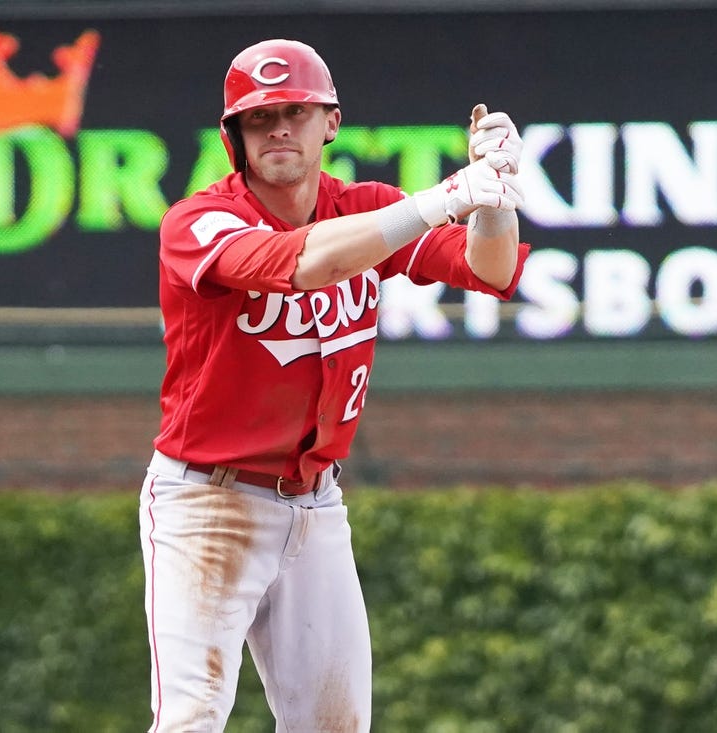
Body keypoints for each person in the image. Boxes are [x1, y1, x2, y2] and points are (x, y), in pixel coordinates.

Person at [138, 38, 529, 732]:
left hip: (315, 505)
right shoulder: (199, 221)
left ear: (331, 123)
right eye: (259, 118)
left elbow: (491, 270)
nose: (279, 128)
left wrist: (493, 193)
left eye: (295, 111)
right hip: (208, 500)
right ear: (235, 136)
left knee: (336, 726)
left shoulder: (365, 207)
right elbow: (306, 263)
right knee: (191, 717)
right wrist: (442, 199)